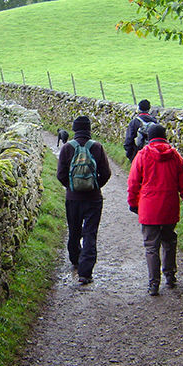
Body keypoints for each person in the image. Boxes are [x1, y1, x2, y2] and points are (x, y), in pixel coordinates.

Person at [127, 123, 183, 296]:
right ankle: (170, 276)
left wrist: (133, 202)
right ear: (165, 136)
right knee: (169, 241)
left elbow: (133, 182)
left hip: (149, 208)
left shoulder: (142, 155)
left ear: (149, 137)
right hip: (169, 207)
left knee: (151, 246)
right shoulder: (175, 156)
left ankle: (153, 283)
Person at [57, 116, 111, 285]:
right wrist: (95, 185)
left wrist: (71, 187)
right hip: (94, 199)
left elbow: (60, 175)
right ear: (89, 129)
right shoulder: (97, 147)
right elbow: (107, 173)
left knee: (74, 230)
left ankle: (75, 258)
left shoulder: (67, 148)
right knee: (90, 233)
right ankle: (85, 273)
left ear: (74, 129)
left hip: (73, 199)